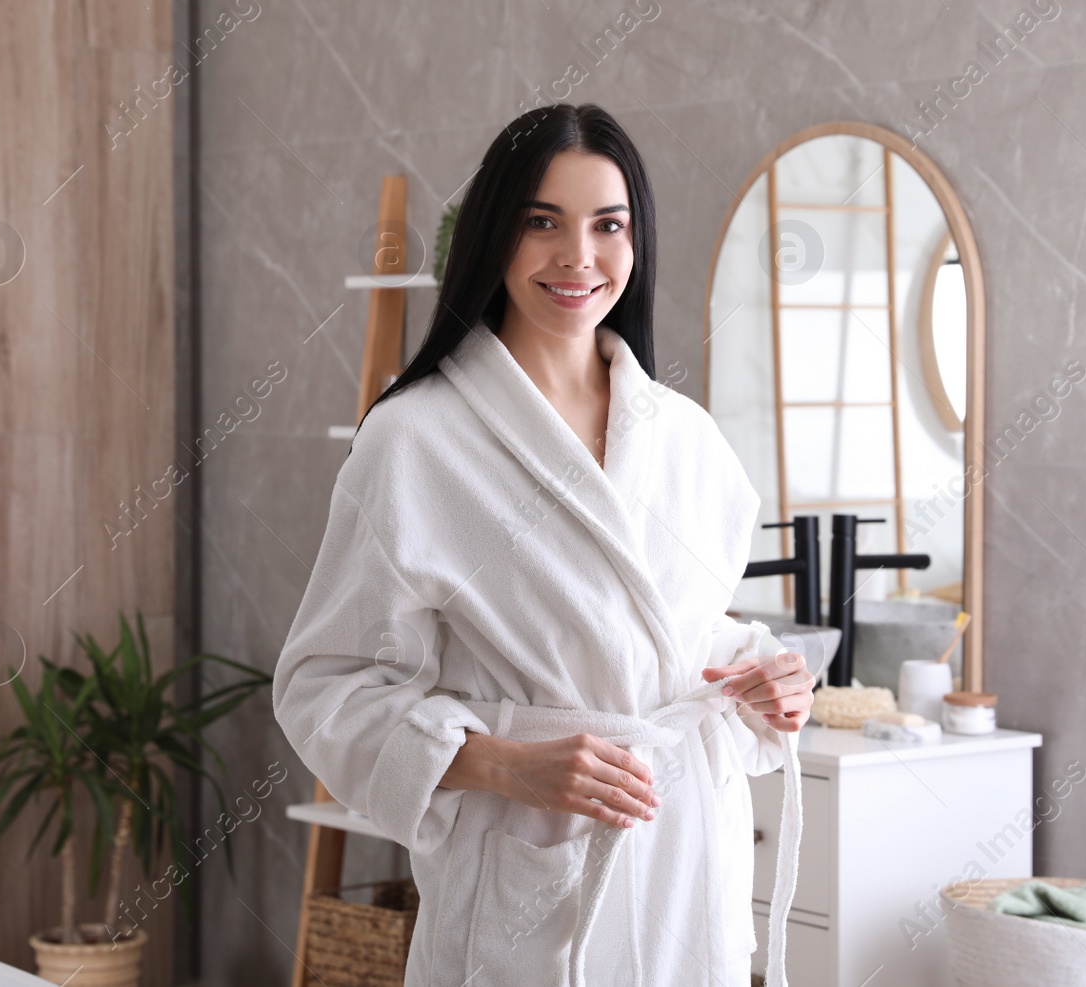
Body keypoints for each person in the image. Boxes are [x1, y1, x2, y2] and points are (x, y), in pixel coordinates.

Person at [272, 102, 814, 987]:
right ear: (495, 237)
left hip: (684, 873)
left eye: (608, 225)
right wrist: (505, 765)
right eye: (541, 223)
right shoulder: (417, 439)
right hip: (526, 893)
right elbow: (322, 683)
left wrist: (764, 676)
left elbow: (666, 638)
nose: (579, 258)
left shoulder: (685, 437)